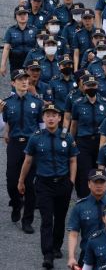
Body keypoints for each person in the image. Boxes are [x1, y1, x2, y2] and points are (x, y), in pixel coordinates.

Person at [18, 102, 78, 269]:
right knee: (46, 220)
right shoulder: (36, 137)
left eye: (54, 115)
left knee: (60, 218)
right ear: (43, 118)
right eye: (47, 115)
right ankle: (48, 254)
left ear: (59, 118)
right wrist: (21, 180)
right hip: (44, 184)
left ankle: (57, 246)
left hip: (63, 184)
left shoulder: (67, 137)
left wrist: (71, 181)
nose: (51, 118)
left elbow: (73, 160)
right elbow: (28, 160)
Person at [1, 69, 44, 234]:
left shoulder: (36, 102)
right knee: (11, 181)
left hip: (31, 145)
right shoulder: (7, 102)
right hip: (14, 145)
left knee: (31, 184)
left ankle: (27, 220)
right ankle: (16, 203)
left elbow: (42, 126)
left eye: (26, 79)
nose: (24, 82)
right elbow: (1, 127)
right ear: (13, 83)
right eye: (20, 79)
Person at [70, 73, 106, 198]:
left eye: (93, 85)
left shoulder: (105, 103)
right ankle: (84, 200)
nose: (91, 87)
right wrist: (72, 141)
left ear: (97, 86)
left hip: (100, 142)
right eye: (88, 85)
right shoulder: (78, 103)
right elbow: (74, 124)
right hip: (83, 142)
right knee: (85, 173)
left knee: (100, 172)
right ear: (84, 87)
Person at [67, 169, 106, 269]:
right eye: (95, 182)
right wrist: (71, 257)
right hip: (87, 257)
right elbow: (73, 234)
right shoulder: (80, 207)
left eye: (102, 182)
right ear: (89, 184)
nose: (99, 185)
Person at [2, 5, 38, 74]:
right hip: (15, 62)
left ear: (28, 16)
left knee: (29, 83)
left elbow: (39, 47)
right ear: (15, 17)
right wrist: (3, 65)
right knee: (16, 82)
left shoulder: (34, 30)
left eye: (24, 14)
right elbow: (6, 48)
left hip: (31, 62)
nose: (22, 16)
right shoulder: (10, 30)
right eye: (19, 14)